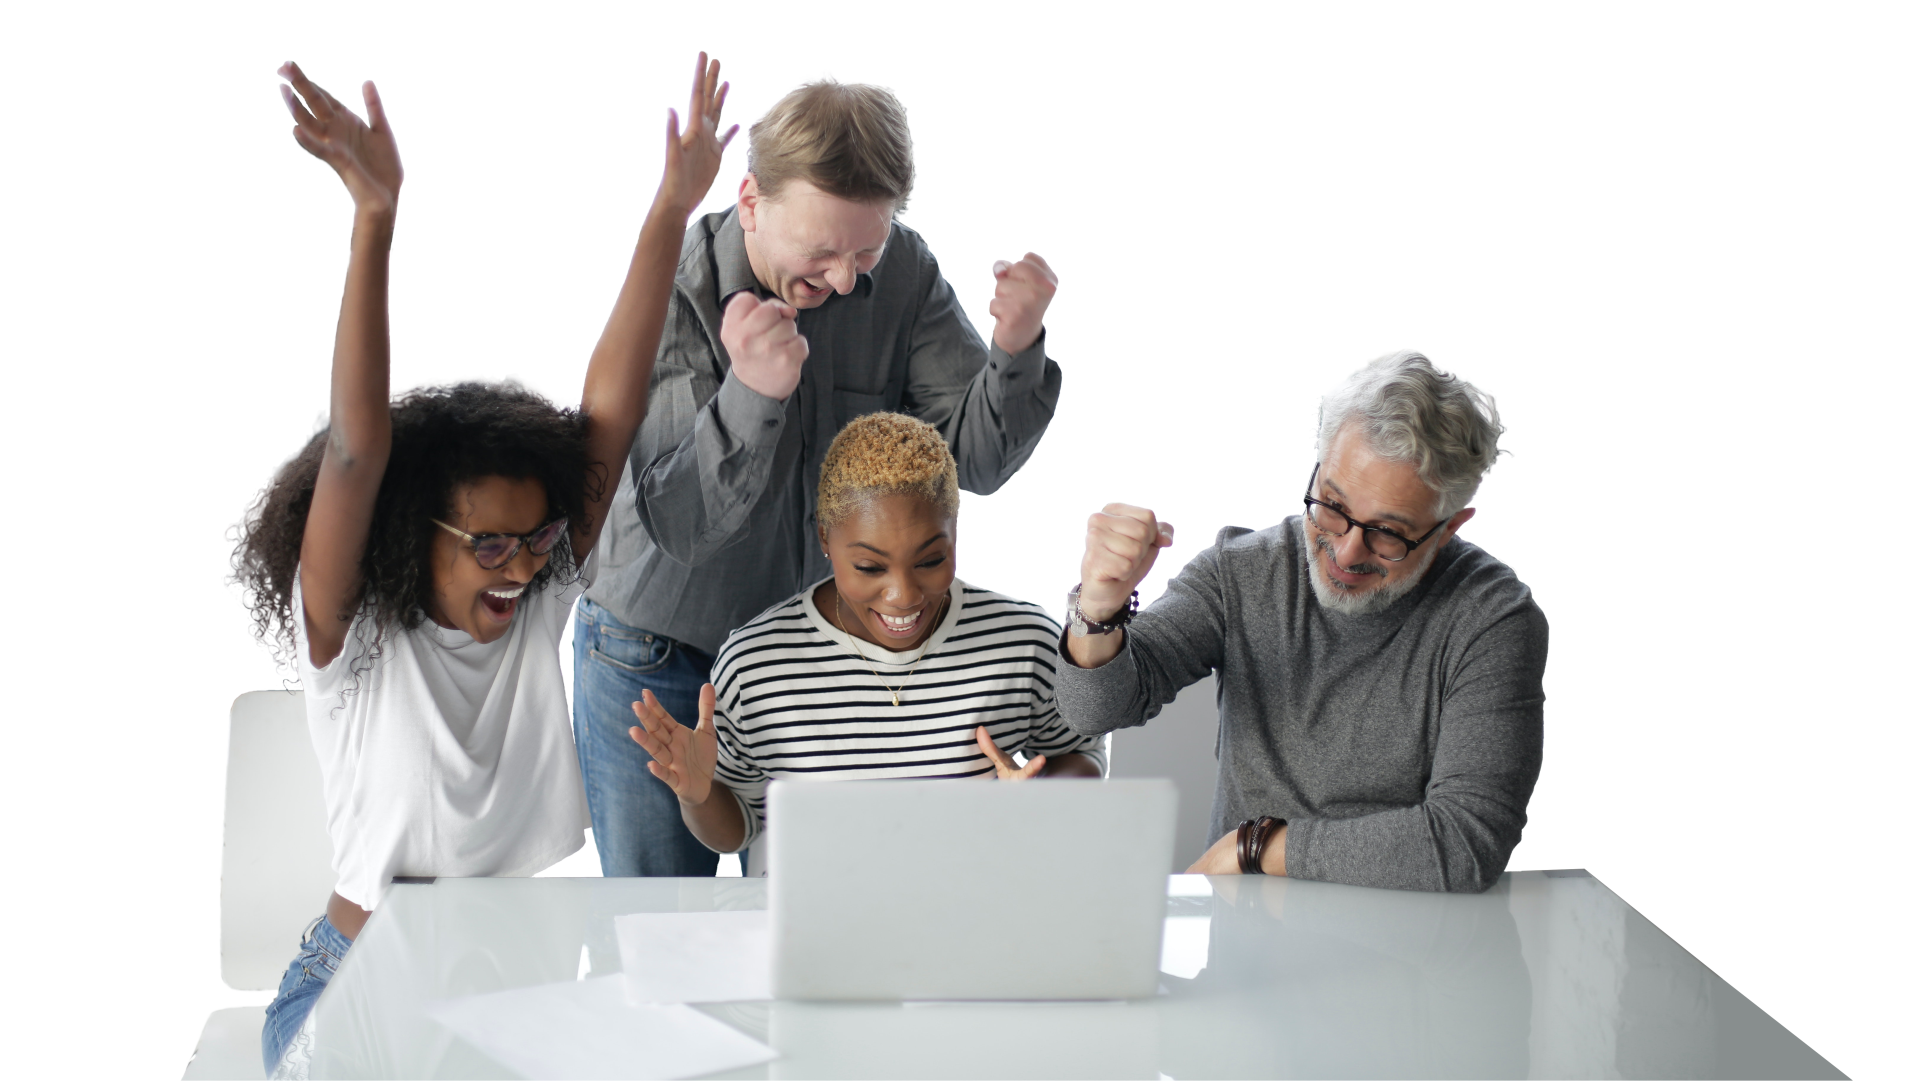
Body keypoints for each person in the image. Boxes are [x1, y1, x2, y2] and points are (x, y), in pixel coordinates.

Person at [222, 54, 734, 1074]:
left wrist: (674, 206)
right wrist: (374, 219)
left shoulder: (541, 597)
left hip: (513, 993)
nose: (520, 565)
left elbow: (609, 412)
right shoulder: (355, 639)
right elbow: (359, 449)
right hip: (355, 985)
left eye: (539, 537)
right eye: (489, 544)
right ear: (417, 536)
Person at [575, 71, 1065, 876]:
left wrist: (1013, 351)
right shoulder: (677, 285)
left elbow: (971, 463)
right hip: (658, 650)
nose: (844, 280)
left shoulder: (901, 272)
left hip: (800, 663)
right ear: (750, 202)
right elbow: (681, 524)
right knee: (658, 929)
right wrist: (752, 393)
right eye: (821, 252)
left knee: (805, 917)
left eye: (864, 250)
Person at [1056, 349, 1549, 893]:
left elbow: (1466, 842)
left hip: (1410, 946)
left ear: (1450, 526)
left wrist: (1256, 847)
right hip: (1246, 946)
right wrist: (1097, 611)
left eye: (1388, 532)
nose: (1346, 550)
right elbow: (1093, 708)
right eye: (1332, 504)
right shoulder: (1242, 567)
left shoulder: (1493, 618)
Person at [627, 413, 1101, 866]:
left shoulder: (1024, 642)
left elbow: (1082, 756)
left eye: (930, 560)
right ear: (825, 537)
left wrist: (1039, 802)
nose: (903, 595)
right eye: (870, 568)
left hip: (972, 921)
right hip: (821, 930)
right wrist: (700, 795)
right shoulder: (757, 666)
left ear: (955, 534)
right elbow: (740, 829)